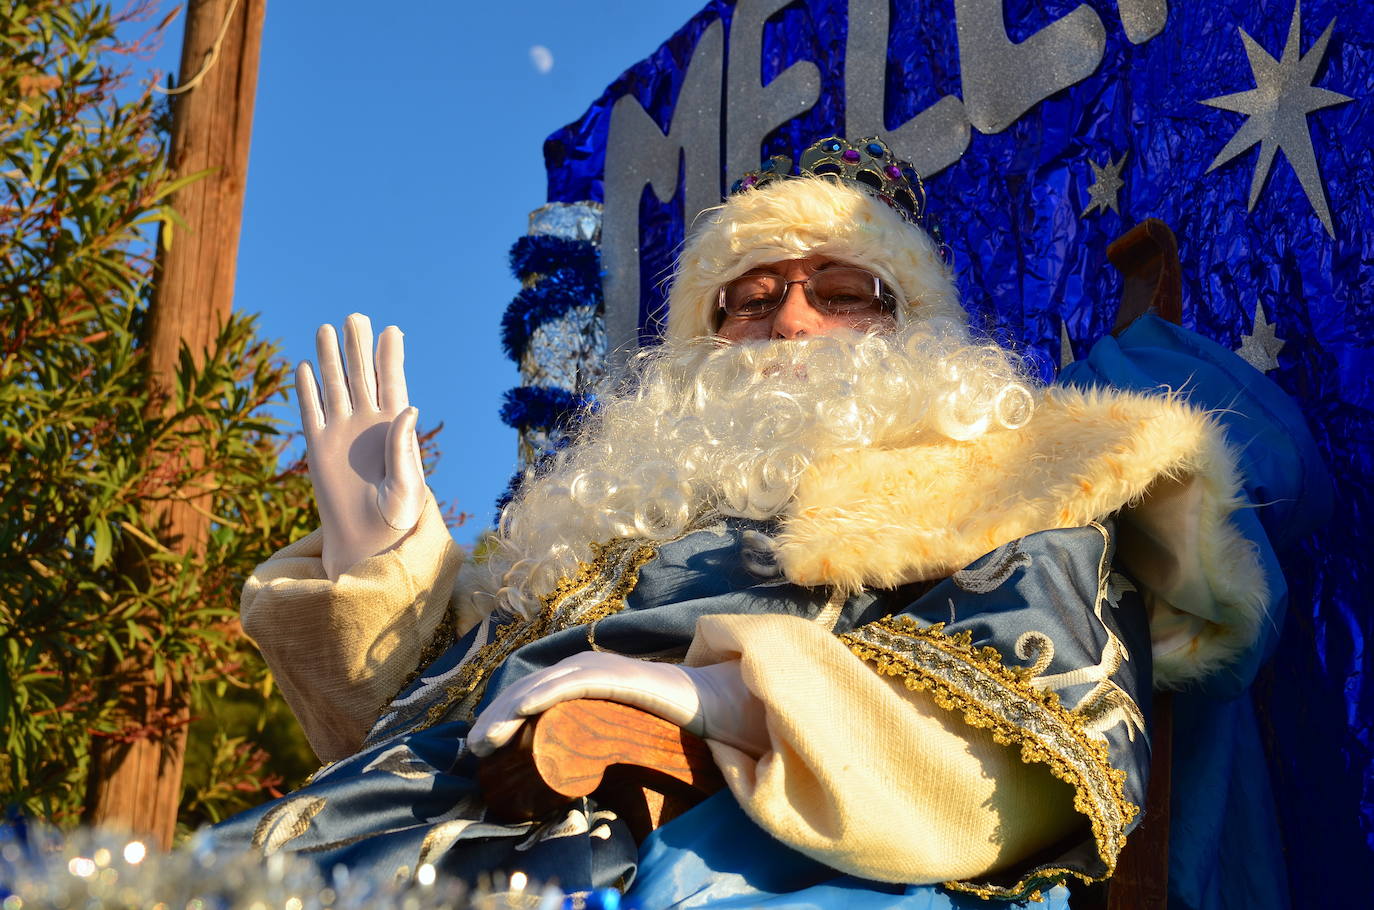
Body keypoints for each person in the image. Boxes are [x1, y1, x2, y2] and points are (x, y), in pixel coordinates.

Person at [212, 137, 1328, 907]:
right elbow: (398, 744)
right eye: (747, 300)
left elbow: (1034, 736)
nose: (789, 322)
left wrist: (727, 694)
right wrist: (383, 567)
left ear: (917, 327)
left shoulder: (999, 471)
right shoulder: (600, 526)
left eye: (842, 290)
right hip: (405, 841)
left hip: (746, 855)